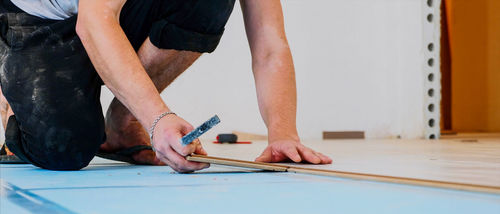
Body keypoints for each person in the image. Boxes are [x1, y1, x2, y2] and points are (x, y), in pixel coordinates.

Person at [0, 0, 332, 172]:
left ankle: (123, 124)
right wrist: (158, 118)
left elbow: (271, 47)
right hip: (36, 20)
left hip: (107, 12)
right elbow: (94, 20)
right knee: (63, 150)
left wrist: (283, 134)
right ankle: (13, 107)